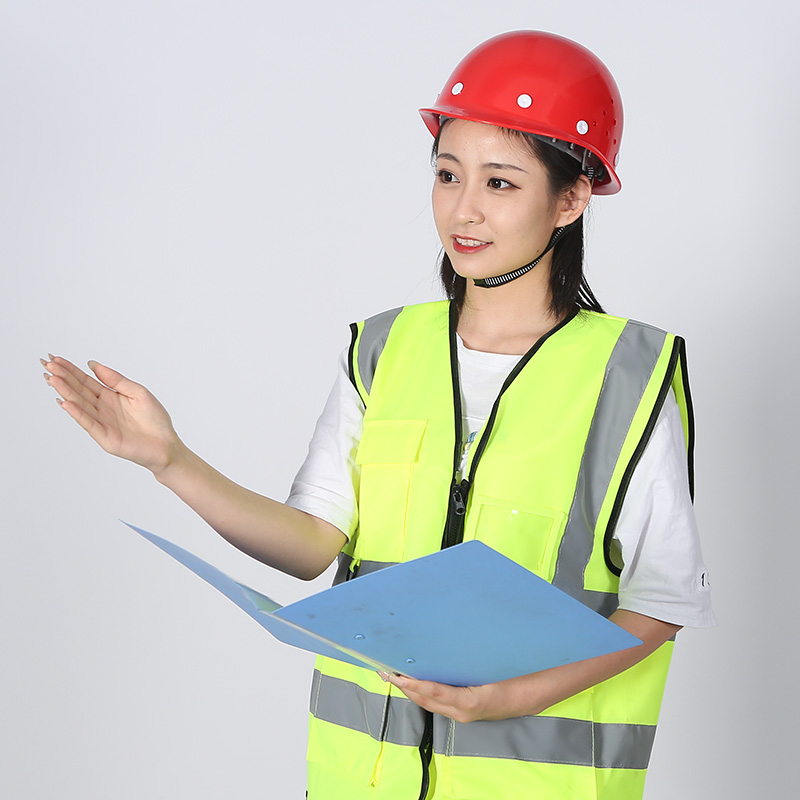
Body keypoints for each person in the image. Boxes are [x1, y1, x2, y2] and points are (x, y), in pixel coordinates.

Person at [43, 30, 714, 800]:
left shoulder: (628, 375)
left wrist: (512, 697)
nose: (462, 209)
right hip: (360, 783)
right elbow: (310, 545)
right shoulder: (382, 351)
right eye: (447, 174)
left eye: (500, 183)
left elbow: (662, 602)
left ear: (571, 199)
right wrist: (170, 460)